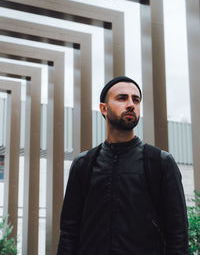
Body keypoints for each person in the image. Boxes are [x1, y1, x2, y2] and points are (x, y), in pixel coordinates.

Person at [57, 76, 189, 255]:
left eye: (136, 99)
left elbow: (178, 234)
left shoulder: (160, 162)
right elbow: (69, 231)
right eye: (122, 98)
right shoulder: (84, 164)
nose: (131, 104)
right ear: (104, 108)